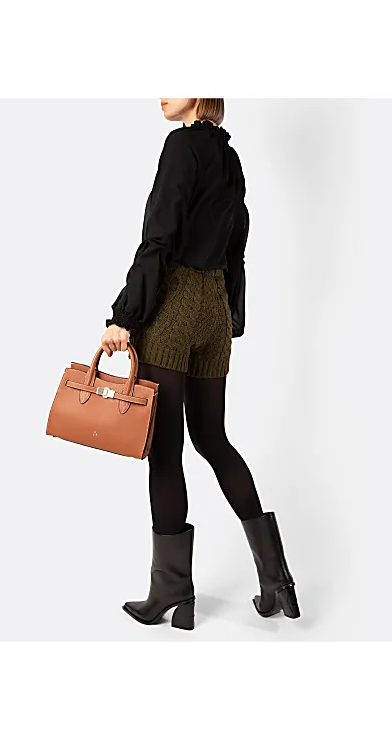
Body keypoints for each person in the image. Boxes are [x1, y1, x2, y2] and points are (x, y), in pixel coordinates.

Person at [101, 98, 300, 630]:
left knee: (165, 453)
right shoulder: (229, 157)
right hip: (215, 307)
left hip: (174, 307)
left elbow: (158, 237)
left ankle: (171, 590)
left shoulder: (181, 145)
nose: (161, 93)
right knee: (212, 438)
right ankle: (276, 578)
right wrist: (229, 313)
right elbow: (237, 246)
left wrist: (124, 316)